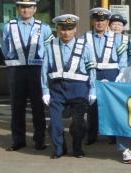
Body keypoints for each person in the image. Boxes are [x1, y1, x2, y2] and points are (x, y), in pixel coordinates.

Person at [0, 0, 53, 151]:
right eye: (22, 7)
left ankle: (39, 140)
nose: (25, 10)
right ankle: (18, 141)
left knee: (38, 106)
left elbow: (49, 50)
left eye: (29, 7)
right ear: (17, 8)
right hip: (16, 70)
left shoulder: (43, 27)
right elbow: (3, 47)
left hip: (37, 70)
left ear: (35, 9)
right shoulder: (8, 26)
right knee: (17, 106)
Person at [41, 15, 96, 159]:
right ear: (58, 29)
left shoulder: (85, 46)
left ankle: (77, 149)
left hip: (79, 89)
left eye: (70, 29)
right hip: (57, 89)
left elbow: (91, 70)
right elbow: (44, 70)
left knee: (78, 123)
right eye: (63, 29)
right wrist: (45, 91)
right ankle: (59, 149)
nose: (66, 32)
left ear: (75, 29)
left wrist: (93, 90)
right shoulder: (50, 46)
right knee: (54, 124)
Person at [84, 7, 128, 145]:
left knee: (112, 104)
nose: (99, 23)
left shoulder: (118, 37)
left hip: (112, 73)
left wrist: (121, 75)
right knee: (92, 104)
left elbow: (123, 59)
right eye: (97, 20)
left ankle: (113, 135)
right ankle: (91, 134)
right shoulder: (85, 37)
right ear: (92, 21)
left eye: (102, 20)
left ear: (107, 22)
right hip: (93, 72)